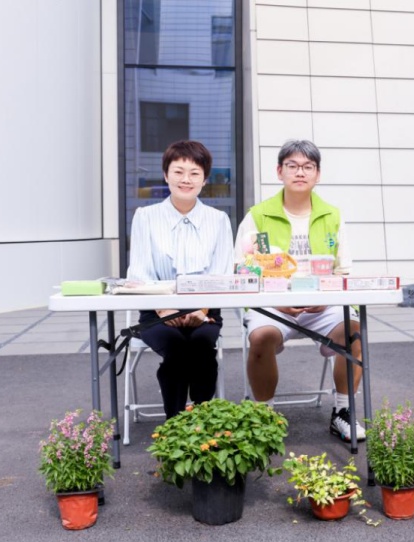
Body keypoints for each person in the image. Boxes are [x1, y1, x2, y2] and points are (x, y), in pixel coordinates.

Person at [234, 139, 364, 442]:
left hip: (322, 305)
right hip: (273, 304)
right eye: (292, 165)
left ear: (318, 174)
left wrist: (325, 300)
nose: (300, 172)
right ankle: (264, 418)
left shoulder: (332, 216)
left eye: (308, 166)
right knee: (261, 338)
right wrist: (276, 302)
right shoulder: (258, 216)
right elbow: (243, 271)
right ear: (279, 171)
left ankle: (343, 412)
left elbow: (342, 272)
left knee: (354, 333)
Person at [126, 140, 234, 418]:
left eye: (194, 173)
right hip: (156, 312)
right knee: (175, 346)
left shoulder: (219, 220)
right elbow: (139, 272)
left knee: (201, 346)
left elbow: (223, 273)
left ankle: (201, 422)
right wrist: (164, 309)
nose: (186, 179)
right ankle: (175, 424)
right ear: (166, 175)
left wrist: (203, 310)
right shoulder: (145, 217)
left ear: (205, 179)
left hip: (205, 311)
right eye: (178, 171)